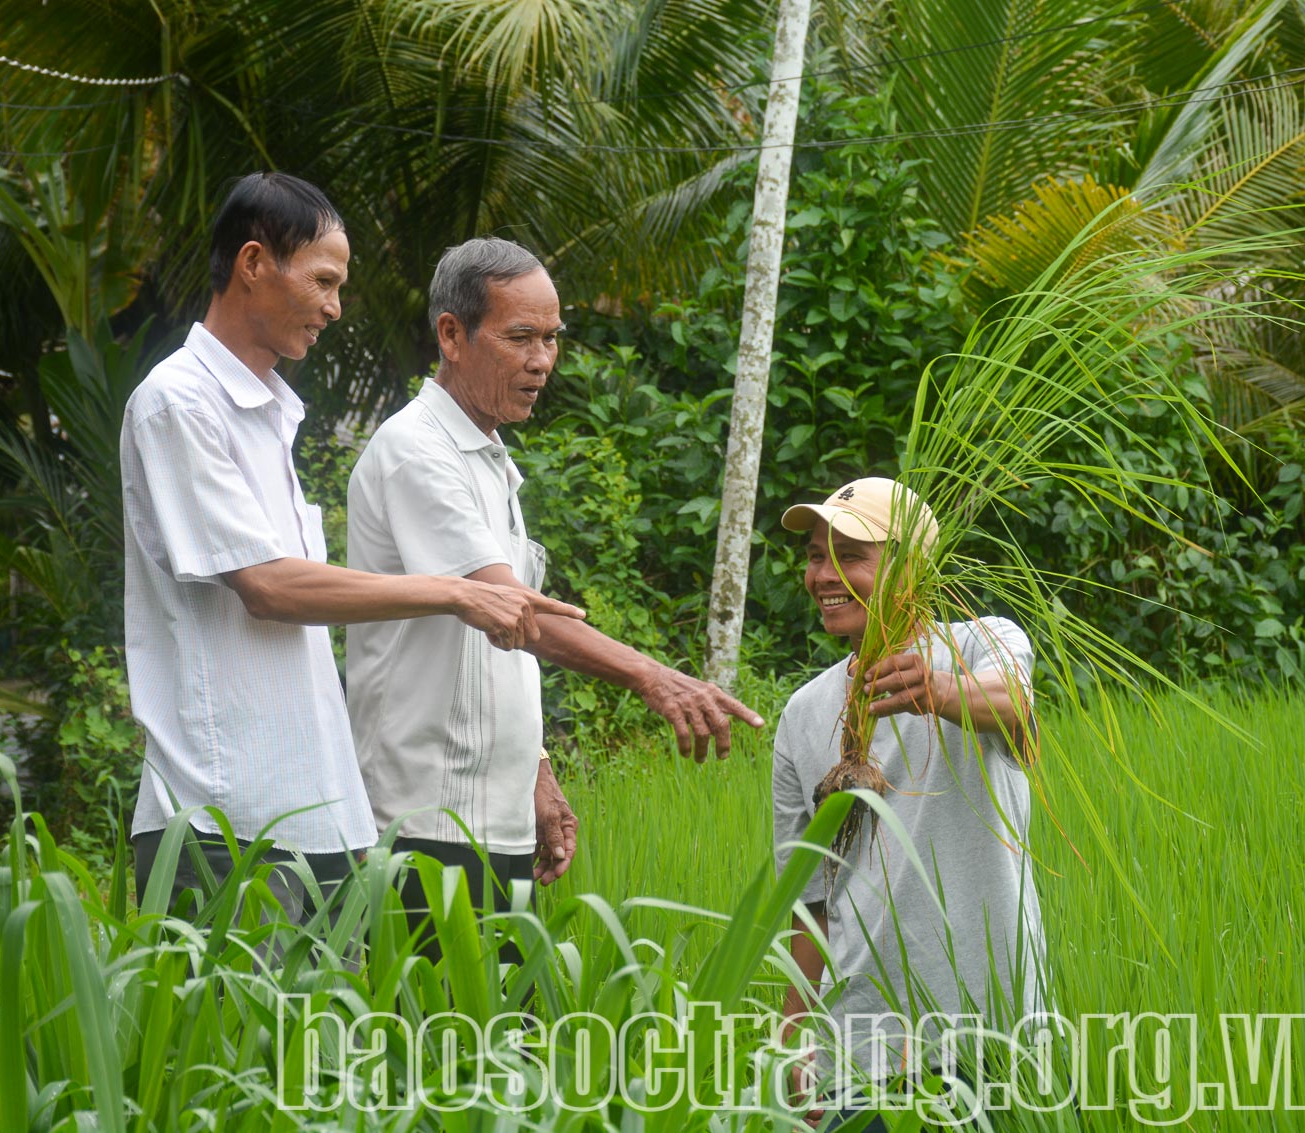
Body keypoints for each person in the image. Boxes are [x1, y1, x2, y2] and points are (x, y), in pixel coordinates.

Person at [121, 174, 577, 919]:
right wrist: (456, 591)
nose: (335, 306)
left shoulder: (272, 416)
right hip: (222, 816)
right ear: (253, 263)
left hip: (314, 813)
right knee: (234, 1038)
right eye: (324, 280)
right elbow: (268, 586)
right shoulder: (179, 401)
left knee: (327, 1038)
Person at [345, 237, 764, 929]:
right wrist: (653, 677)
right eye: (520, 337)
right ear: (452, 334)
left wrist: (534, 770)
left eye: (550, 338)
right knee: (441, 1036)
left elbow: (503, 645)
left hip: (492, 818)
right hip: (425, 822)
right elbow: (515, 612)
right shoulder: (416, 451)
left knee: (502, 1036)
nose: (541, 360)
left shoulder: (489, 458)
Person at [771, 476, 1045, 1116]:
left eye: (850, 555)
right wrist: (794, 1048)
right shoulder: (804, 713)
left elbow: (1012, 705)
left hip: (988, 1031)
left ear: (911, 568)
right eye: (815, 555)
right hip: (858, 1046)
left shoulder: (981, 644)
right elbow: (808, 902)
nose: (823, 574)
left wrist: (940, 692)